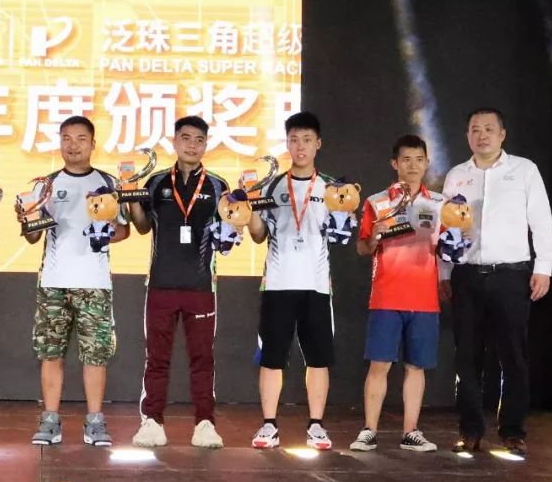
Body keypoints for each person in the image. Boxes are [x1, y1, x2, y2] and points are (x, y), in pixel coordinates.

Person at [441, 107, 552, 457]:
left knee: (513, 356)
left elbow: (542, 222)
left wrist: (544, 267)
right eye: (475, 129)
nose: (482, 135)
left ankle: (513, 431)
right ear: (467, 136)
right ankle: (470, 430)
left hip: (511, 276)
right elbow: (446, 229)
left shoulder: (524, 170)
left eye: (489, 129)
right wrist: (444, 273)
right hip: (467, 275)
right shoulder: (457, 175)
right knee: (467, 357)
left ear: (502, 134)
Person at [17, 116, 130, 446]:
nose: (73, 145)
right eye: (66, 138)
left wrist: (105, 233)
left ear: (93, 144)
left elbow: (124, 231)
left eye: (81, 138)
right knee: (50, 353)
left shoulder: (109, 183)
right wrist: (25, 219)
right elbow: (32, 237)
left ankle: (95, 422)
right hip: (53, 282)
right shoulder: (45, 185)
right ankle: (50, 420)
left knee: (95, 355)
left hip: (95, 283)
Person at [128, 116, 229, 449]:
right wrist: (130, 197)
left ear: (206, 144)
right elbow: (142, 226)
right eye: (185, 138)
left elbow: (230, 230)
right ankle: (152, 421)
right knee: (156, 358)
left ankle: (205, 423)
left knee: (203, 359)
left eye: (199, 140)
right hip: (161, 284)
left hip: (201, 287)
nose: (192, 145)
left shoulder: (218, 186)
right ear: (174, 142)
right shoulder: (156, 182)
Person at [349, 135, 444, 453]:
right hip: (387, 297)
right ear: (395, 163)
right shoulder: (376, 202)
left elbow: (449, 247)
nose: (413, 165)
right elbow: (362, 248)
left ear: (427, 163)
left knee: (416, 367)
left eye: (419, 159)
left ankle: (411, 431)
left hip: (425, 298)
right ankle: (369, 430)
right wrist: (374, 237)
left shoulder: (441, 204)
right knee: (379, 365)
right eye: (406, 159)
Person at [248, 111, 336, 451]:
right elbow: (258, 235)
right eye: (294, 140)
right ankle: (269, 424)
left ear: (318, 144)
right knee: (271, 357)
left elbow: (341, 234)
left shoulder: (333, 188)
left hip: (316, 285)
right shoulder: (270, 186)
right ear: (286, 143)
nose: (300, 147)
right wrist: (248, 208)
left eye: (307, 140)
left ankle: (317, 426)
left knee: (318, 358)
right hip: (277, 284)